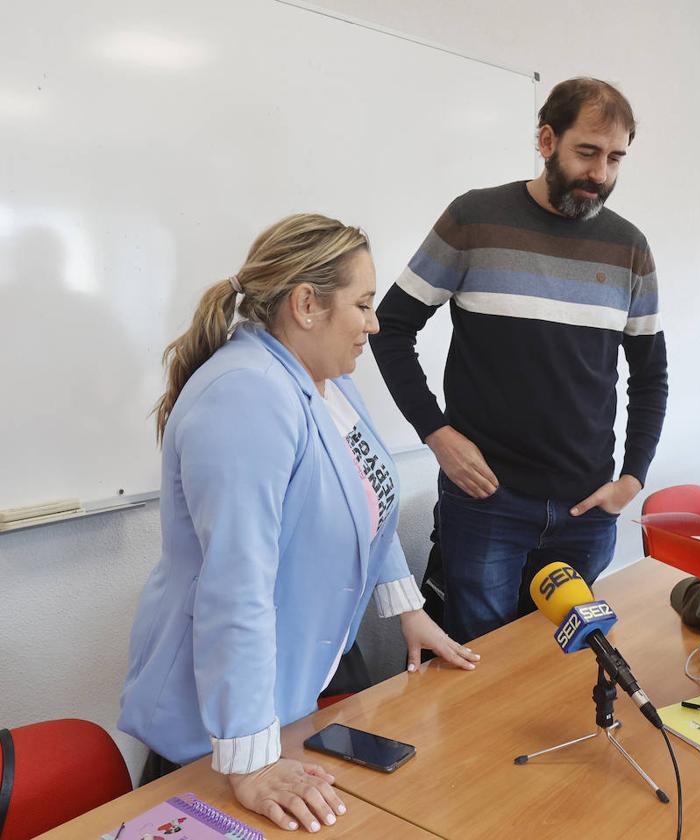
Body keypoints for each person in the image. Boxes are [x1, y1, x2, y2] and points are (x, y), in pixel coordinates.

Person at [119, 214, 479, 833]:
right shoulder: (246, 397)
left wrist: (407, 608)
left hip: (282, 699)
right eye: (363, 305)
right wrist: (252, 763)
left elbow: (372, 504)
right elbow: (236, 590)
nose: (374, 324)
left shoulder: (328, 385)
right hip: (219, 730)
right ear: (306, 304)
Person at [371, 78, 668, 643]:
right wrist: (436, 434)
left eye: (615, 158)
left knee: (558, 668)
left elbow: (650, 377)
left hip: (586, 510)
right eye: (587, 152)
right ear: (546, 139)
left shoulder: (630, 247)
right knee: (480, 664)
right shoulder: (474, 219)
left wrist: (633, 477)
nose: (600, 175)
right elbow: (390, 330)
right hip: (488, 504)